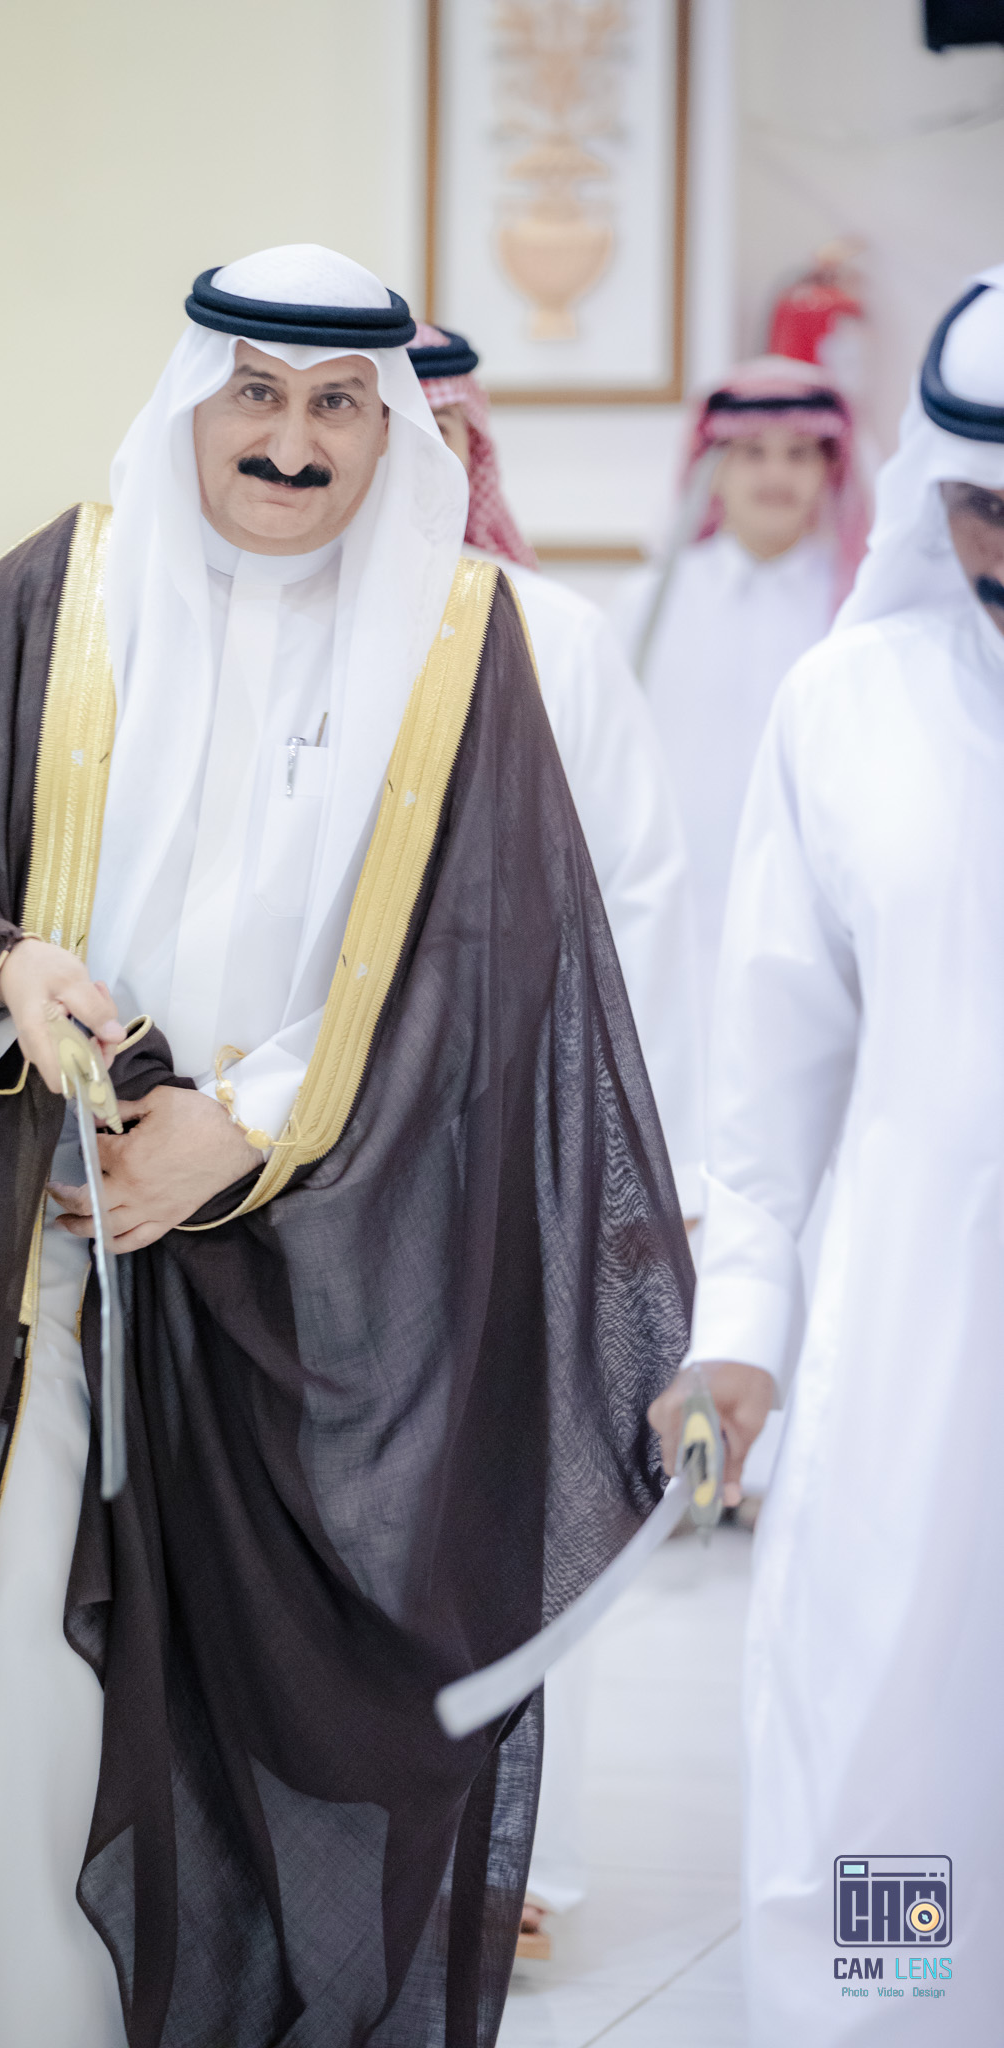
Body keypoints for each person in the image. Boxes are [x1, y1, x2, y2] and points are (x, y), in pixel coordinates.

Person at [0, 245, 693, 2048]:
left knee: (269, 1755)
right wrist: (8, 973)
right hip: (45, 1249)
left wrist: (250, 1124)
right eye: (257, 395)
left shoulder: (466, 645)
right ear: (194, 403)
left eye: (339, 404)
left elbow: (499, 961)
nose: (292, 440)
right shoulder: (59, 594)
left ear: (391, 429)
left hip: (328, 1284)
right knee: (3, 1699)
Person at [648, 266, 1004, 2045]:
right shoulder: (852, 704)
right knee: (889, 1722)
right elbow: (773, 1083)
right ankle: (895, 2008)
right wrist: (739, 1330)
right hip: (916, 1330)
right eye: (991, 502)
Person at [410, 321, 705, 1955]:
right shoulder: (269, 636)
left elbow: (641, 902)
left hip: (521, 1150)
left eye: (445, 431)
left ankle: (514, 1862)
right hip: (301, 1158)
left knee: (517, 1506)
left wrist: (640, 1172)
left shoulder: (556, 634)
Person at [614, 357, 869, 1022]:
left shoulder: (862, 609)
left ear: (830, 468)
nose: (776, 474)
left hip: (819, 919)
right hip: (669, 919)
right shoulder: (647, 602)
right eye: (752, 452)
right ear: (714, 467)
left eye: (798, 454)